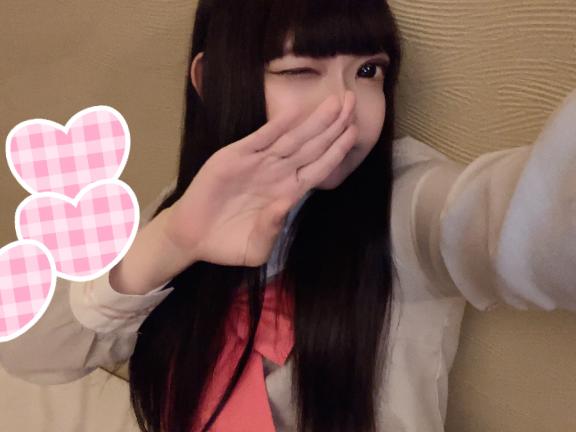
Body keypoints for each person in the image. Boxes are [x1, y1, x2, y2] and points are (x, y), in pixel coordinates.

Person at [0, 0, 575, 431]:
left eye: (368, 72)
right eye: (300, 71)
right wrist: (171, 241)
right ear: (212, 82)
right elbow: (28, 353)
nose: (346, 111)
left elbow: (520, 222)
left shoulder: (404, 205)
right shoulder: (191, 204)